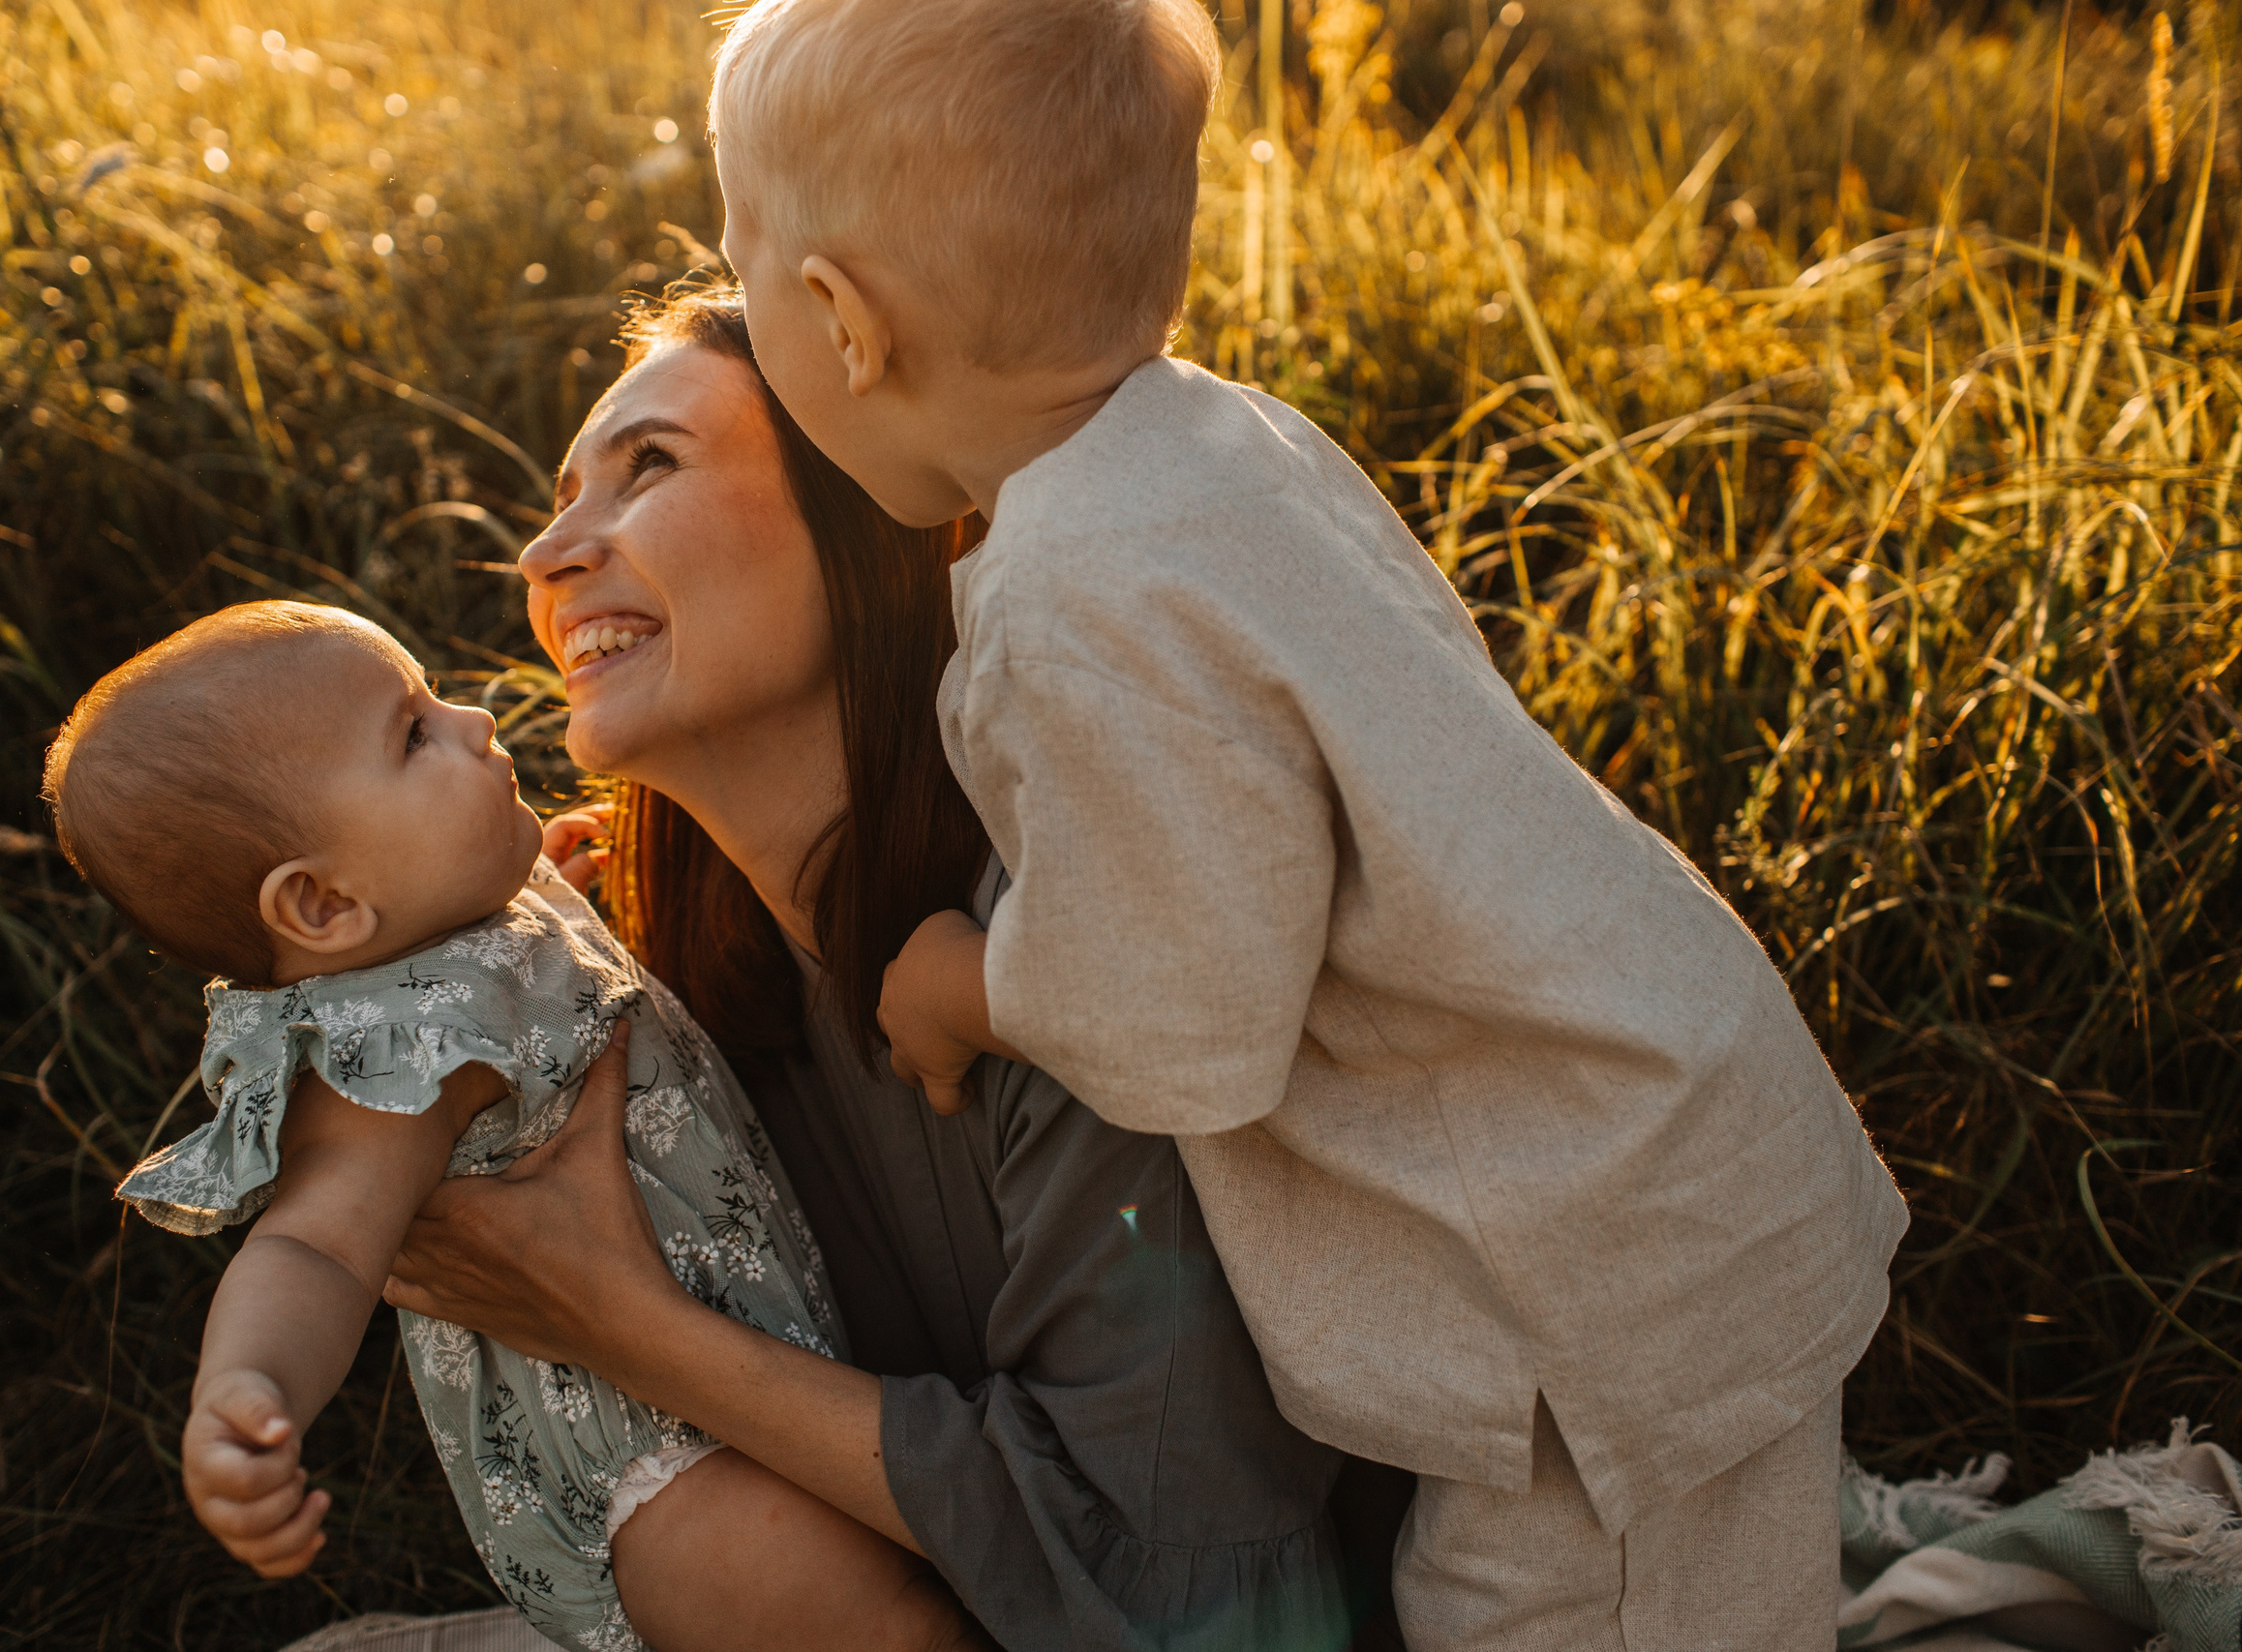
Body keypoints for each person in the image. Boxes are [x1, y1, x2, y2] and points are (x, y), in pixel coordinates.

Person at [706, 1, 1914, 1647]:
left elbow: (1183, 1017)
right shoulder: (1222, 446)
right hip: (1642, 1164)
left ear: (840, 322)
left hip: (1587, 1270)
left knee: (1554, 1617)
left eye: (738, 253)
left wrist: (962, 981)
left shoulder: (1078, 600)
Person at [384, 293, 1375, 1651]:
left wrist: (628, 1323)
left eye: (651, 464)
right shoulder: (661, 990)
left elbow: (1203, 1592)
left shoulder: (1060, 960)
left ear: (871, 510)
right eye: (561, 499)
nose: (548, 555)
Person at [44, 602, 980, 1652]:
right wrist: (246, 1391)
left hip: (720, 1370)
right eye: (413, 734)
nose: (476, 718)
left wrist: (565, 918)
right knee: (903, 1635)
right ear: (323, 905)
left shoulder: (473, 922)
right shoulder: (397, 1053)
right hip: (652, 1466)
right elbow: (313, 1242)